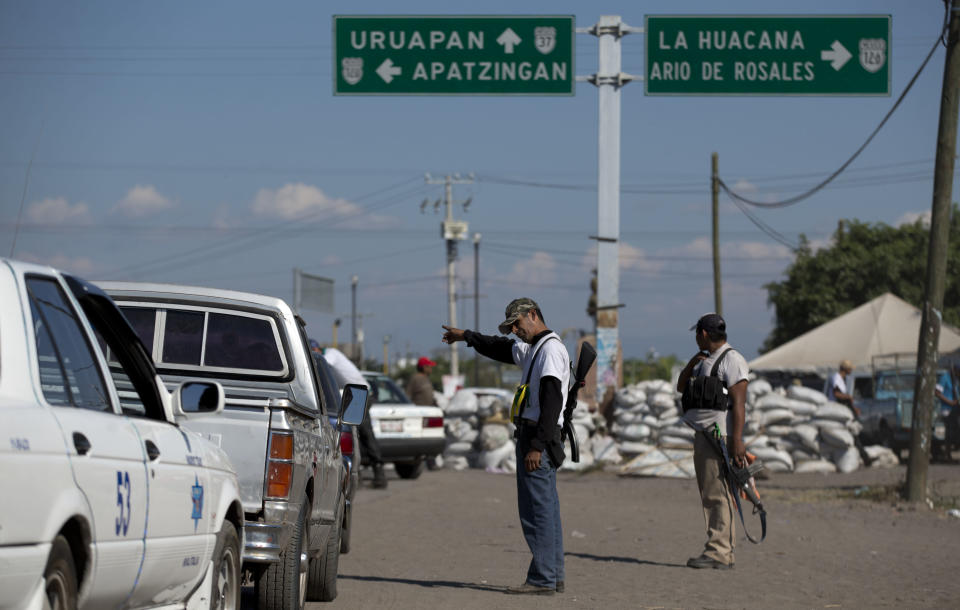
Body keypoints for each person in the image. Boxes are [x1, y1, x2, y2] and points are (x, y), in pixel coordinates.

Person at [442, 297, 569, 595]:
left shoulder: (550, 350)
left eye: (517, 324)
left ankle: (542, 579)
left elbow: (552, 402)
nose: (514, 330)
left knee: (536, 510)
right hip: (535, 434)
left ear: (533, 315)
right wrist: (467, 337)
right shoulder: (537, 349)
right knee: (546, 509)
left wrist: (537, 445)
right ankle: (554, 575)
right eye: (511, 326)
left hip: (538, 435)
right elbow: (501, 347)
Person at [677, 313, 749, 570]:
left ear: (704, 334)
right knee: (711, 492)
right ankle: (719, 549)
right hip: (704, 434)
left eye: (697, 334)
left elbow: (739, 403)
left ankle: (720, 551)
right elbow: (681, 386)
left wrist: (737, 440)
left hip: (719, 436)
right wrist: (690, 364)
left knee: (718, 493)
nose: (696, 339)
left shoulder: (732, 360)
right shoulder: (704, 361)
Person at [321, 344, 388, 489]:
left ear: (318, 349)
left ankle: (376, 474)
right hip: (354, 393)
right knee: (356, 433)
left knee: (361, 433)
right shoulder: (329, 355)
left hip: (358, 393)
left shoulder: (330, 353)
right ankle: (360, 474)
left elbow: (323, 365)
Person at [824, 360, 872, 466]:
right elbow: (837, 394)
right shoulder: (836, 378)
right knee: (851, 433)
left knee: (852, 433)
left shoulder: (843, 379)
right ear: (845, 369)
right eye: (850, 369)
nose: (851, 371)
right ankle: (864, 456)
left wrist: (853, 407)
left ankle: (863, 456)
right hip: (837, 411)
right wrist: (849, 398)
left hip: (843, 410)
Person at [935, 361, 960, 456]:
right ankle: (947, 453)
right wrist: (950, 402)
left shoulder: (956, 380)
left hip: (955, 407)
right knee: (949, 430)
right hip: (947, 408)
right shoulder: (945, 378)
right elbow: (937, 392)